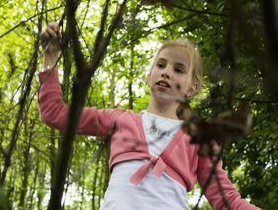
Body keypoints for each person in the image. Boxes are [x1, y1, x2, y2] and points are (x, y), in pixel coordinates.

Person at [38, 22, 259, 210]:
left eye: (179, 69)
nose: (166, 72)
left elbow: (226, 200)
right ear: (149, 74)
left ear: (192, 87)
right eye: (161, 65)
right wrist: (50, 59)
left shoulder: (200, 138)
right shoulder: (120, 120)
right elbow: (55, 114)